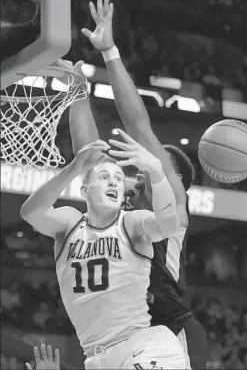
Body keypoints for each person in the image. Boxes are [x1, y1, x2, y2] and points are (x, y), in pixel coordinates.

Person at [80, 0, 208, 369]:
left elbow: (139, 125)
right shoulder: (121, 206)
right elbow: (88, 155)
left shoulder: (167, 196)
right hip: (121, 335)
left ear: (177, 180)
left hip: (167, 328)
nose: (142, 165)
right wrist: (76, 94)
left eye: (155, 162)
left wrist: (110, 52)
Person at [20, 129, 187, 369]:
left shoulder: (130, 222)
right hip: (96, 358)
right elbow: (30, 213)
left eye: (119, 178)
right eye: (104, 177)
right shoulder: (70, 223)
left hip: (140, 344)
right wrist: (74, 168)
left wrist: (157, 172)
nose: (113, 182)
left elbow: (168, 226)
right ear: (84, 191)